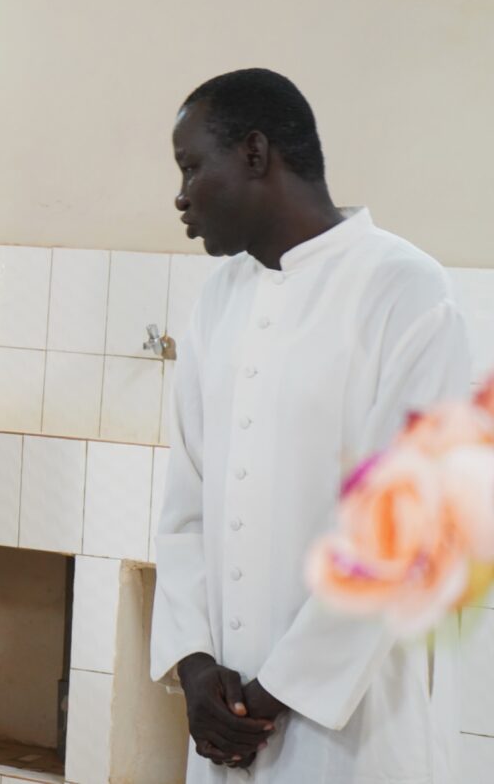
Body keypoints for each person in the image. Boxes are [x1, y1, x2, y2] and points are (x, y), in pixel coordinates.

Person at [149, 69, 469, 783]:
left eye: (192, 166)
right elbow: (185, 511)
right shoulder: (217, 302)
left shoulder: (405, 290)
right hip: (227, 724)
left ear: (255, 153)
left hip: (357, 730)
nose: (181, 195)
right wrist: (196, 669)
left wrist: (271, 696)